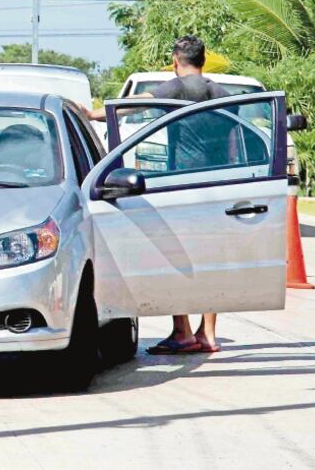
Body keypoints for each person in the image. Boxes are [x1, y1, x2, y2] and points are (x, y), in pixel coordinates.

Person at [81, 35, 229, 354]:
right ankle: (209, 334)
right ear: (203, 59)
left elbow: (136, 104)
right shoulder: (219, 92)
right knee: (209, 260)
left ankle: (182, 332)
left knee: (180, 259)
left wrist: (92, 114)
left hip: (183, 185)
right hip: (219, 184)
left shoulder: (177, 87)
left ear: (176, 60)